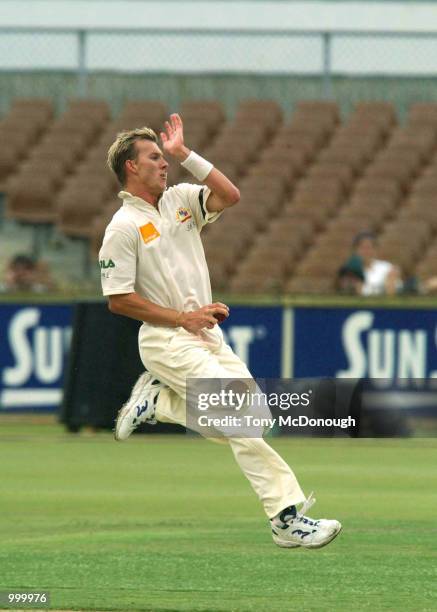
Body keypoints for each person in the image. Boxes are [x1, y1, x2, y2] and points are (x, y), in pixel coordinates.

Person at [99, 114, 341, 549]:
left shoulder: (180, 200)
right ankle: (286, 518)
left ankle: (161, 404)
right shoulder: (123, 227)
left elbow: (230, 194)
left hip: (205, 333)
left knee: (254, 418)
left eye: (164, 156)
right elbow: (118, 300)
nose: (163, 164)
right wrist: (181, 318)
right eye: (154, 157)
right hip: (164, 338)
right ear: (131, 168)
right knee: (238, 418)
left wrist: (184, 153)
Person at [343, 232, 402, 296]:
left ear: (375, 249)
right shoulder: (349, 269)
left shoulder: (387, 268)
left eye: (369, 248)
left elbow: (394, 292)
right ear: (355, 250)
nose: (366, 251)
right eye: (362, 248)